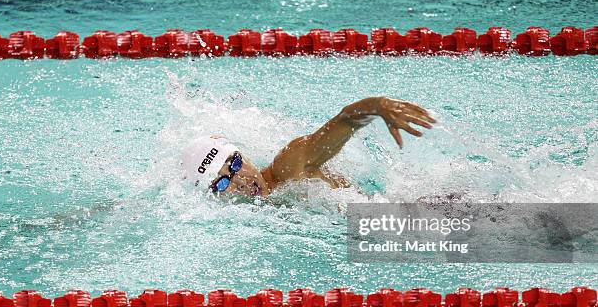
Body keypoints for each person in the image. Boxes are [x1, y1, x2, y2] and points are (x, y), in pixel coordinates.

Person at [182, 97, 436, 197]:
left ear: (244, 156)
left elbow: (345, 121)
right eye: (224, 183)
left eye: (235, 164)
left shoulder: (288, 165)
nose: (242, 182)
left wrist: (378, 107)